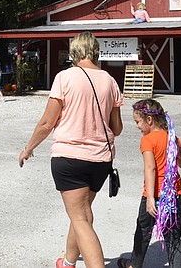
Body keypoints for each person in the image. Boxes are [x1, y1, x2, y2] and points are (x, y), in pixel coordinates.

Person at [18, 32, 124, 268]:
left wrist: (28, 148)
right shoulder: (109, 80)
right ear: (96, 51)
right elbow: (116, 128)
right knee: (83, 214)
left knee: (79, 218)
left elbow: (47, 123)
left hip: (70, 157)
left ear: (74, 52)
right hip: (100, 159)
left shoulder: (64, 78)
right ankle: (68, 262)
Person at [117, 99, 181, 268]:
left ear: (149, 120)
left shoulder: (148, 140)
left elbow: (150, 168)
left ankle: (133, 265)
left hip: (155, 195)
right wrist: (175, 146)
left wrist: (150, 197)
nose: (137, 126)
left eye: (138, 122)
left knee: (142, 233)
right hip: (175, 195)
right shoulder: (173, 138)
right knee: (173, 238)